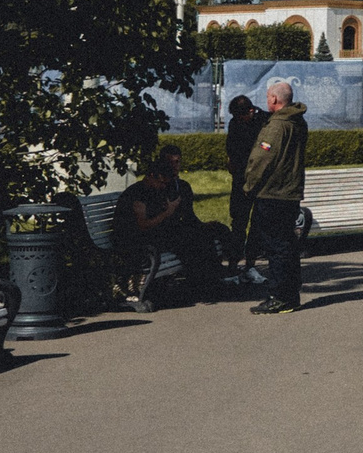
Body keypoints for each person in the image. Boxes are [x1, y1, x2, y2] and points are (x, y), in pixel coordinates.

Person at [114, 149, 224, 299]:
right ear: (152, 176)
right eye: (162, 182)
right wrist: (167, 212)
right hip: (134, 241)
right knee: (187, 240)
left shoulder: (152, 190)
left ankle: (209, 280)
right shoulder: (137, 194)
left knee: (198, 235)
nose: (164, 187)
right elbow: (143, 225)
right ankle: (203, 283)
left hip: (148, 235)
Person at [243, 81, 309, 316]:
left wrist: (249, 185)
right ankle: (291, 294)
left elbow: (261, 159)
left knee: (276, 247)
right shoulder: (297, 121)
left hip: (272, 193)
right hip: (289, 192)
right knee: (288, 246)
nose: (266, 100)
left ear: (274, 99)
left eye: (268, 96)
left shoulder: (277, 126)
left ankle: (280, 297)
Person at [223, 93, 262, 279]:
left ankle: (251, 263)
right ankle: (233, 262)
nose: (238, 120)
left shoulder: (264, 121)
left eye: (240, 117)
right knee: (238, 222)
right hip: (240, 179)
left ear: (250, 111)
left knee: (257, 222)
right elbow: (231, 147)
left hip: (259, 180)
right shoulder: (235, 123)